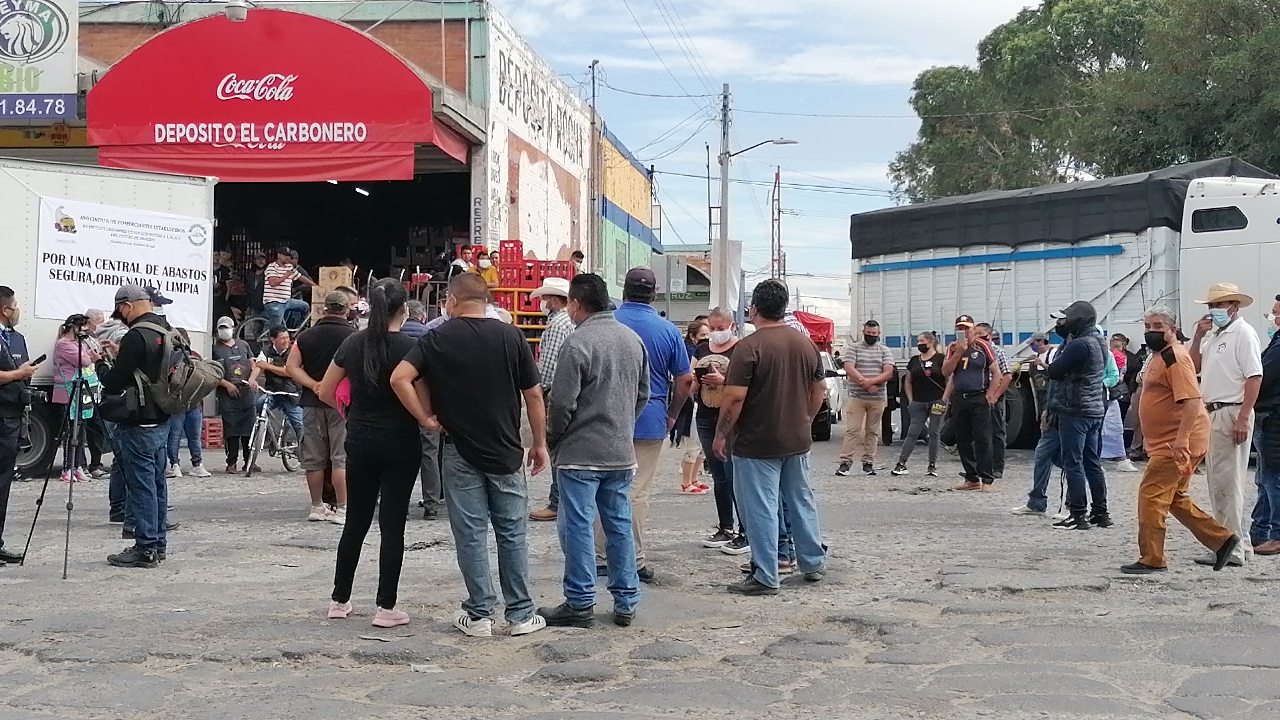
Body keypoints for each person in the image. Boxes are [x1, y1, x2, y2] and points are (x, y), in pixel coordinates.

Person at [391, 272, 549, 638]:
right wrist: (539, 443)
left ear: (452, 301)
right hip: (507, 450)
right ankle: (522, 614)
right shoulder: (512, 337)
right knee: (512, 533)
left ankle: (479, 615)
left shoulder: (438, 337)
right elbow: (534, 395)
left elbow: (400, 378)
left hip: (459, 448)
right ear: (488, 300)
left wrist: (425, 418)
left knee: (471, 534)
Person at [532, 273, 648, 629]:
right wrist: (622, 424)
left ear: (576, 304)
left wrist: (553, 438)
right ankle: (626, 599)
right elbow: (642, 395)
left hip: (580, 453)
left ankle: (580, 601)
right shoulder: (632, 340)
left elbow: (562, 403)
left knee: (577, 527)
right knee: (618, 525)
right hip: (619, 451)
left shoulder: (577, 342)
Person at [318, 279, 421, 628]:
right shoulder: (411, 346)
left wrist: (350, 414)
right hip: (401, 441)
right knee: (393, 526)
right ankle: (385, 606)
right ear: (403, 310)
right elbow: (421, 394)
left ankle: (339, 599)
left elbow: (326, 390)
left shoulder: (352, 342)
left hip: (359, 437)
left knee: (355, 522)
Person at [713, 279, 827, 595]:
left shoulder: (749, 347)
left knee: (760, 506)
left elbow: (734, 398)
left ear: (755, 308)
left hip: (756, 441)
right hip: (797, 439)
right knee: (801, 499)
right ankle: (812, 562)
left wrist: (721, 435)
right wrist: (805, 418)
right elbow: (819, 390)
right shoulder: (805, 344)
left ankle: (766, 573)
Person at [1120, 306, 1241, 574]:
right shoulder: (1160, 355)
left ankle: (1152, 558)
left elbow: (1191, 400)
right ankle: (1222, 540)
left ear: (1173, 330)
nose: (1151, 331)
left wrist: (1181, 441)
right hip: (1171, 441)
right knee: (1173, 496)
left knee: (1151, 495)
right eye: (1148, 326)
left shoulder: (1174, 357)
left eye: (1158, 327)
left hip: (1174, 443)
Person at [607, 268, 695, 582]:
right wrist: (672, 413)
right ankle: (633, 558)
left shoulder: (608, 323)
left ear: (624, 292)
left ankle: (601, 556)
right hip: (649, 418)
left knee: (601, 487)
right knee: (636, 491)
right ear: (654, 294)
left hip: (604, 420)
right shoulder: (667, 330)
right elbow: (685, 379)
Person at [1189, 283, 1263, 567]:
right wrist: (1198, 336)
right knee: (1221, 481)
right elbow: (1192, 365)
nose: (1213, 311)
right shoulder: (1215, 335)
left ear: (1234, 306)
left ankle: (1230, 546)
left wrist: (1244, 416)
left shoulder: (1243, 333)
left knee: (1227, 483)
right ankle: (1236, 544)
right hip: (1215, 411)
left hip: (1230, 410)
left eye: (1219, 306)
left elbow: (1254, 377)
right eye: (1212, 306)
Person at [100, 285, 172, 568]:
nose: (121, 315)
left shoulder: (136, 335)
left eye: (121, 310)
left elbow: (115, 381)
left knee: (141, 486)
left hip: (139, 419)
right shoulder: (167, 331)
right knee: (157, 483)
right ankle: (158, 542)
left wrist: (102, 365)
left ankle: (145, 549)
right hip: (163, 417)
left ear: (128, 306)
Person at [1037, 302, 1109, 529]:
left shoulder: (1079, 345)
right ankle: (1100, 513)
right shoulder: (1099, 342)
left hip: (1075, 410)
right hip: (1095, 409)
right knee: (1092, 463)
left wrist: (1046, 367)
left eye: (1067, 319)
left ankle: (1078, 514)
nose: (1063, 324)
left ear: (1077, 320)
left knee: (1073, 462)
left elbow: (1055, 371)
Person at [288, 292, 356, 524]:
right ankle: (344, 508)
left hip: (311, 402)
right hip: (342, 404)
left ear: (324, 310)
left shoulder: (306, 336)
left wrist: (314, 384)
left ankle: (317, 506)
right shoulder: (354, 337)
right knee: (340, 457)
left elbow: (291, 366)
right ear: (346, 310)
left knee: (315, 458)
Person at [693, 308, 746, 550]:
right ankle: (726, 526)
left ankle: (745, 530)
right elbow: (690, 380)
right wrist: (697, 382)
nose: (715, 333)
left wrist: (723, 381)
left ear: (732, 326)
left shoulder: (741, 349)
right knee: (719, 476)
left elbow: (747, 384)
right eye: (712, 328)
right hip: (705, 415)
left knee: (734, 474)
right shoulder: (701, 350)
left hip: (732, 418)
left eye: (720, 328)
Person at [529, 277, 574, 522]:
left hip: (554, 390)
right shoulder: (568, 322)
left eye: (545, 299)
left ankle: (556, 502)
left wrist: (538, 390)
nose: (543, 303)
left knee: (556, 448)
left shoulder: (558, 325)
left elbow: (547, 365)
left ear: (555, 300)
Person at [942, 315, 1000, 491]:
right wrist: (959, 352)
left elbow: (996, 372)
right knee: (963, 439)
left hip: (978, 397)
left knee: (983, 439)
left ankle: (987, 479)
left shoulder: (983, 347)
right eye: (960, 328)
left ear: (973, 329)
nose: (964, 332)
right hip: (960, 398)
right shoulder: (953, 347)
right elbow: (946, 371)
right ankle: (971, 477)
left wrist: (990, 395)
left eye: (967, 328)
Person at [0, 286, 36, 564]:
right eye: (15, 306)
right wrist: (18, 373)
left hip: (10, 415)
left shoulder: (11, 338)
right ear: (6, 309)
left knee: (4, 481)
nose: (16, 311)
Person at [837, 320, 895, 477]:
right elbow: (849, 368)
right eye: (868, 333)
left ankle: (868, 462)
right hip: (857, 396)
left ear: (879, 334)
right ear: (863, 332)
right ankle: (845, 463)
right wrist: (865, 383)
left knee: (873, 431)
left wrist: (871, 382)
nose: (871, 336)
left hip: (877, 398)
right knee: (852, 430)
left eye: (874, 334)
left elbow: (888, 372)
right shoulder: (853, 348)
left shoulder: (884, 350)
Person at [398, 300, 440, 520]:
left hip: (401, 404)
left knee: (400, 455)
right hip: (427, 405)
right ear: (422, 316)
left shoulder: (396, 337)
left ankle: (399, 502)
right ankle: (432, 504)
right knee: (430, 454)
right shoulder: (431, 336)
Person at [51, 314, 100, 483]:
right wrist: (89, 356)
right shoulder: (64, 344)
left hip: (80, 393)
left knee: (80, 432)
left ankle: (77, 466)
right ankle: (67, 467)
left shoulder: (76, 343)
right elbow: (84, 360)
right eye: (83, 327)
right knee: (71, 432)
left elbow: (92, 354)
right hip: (67, 393)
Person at [892, 332, 945, 477]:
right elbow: (908, 381)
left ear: (931, 342)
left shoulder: (941, 359)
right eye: (918, 341)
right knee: (913, 432)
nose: (919, 344)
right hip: (918, 401)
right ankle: (901, 463)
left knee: (934, 432)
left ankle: (932, 465)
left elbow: (949, 379)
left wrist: (944, 399)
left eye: (922, 341)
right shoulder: (914, 360)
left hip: (936, 400)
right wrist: (910, 400)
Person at [212, 316, 261, 475]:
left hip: (247, 393)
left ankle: (249, 461)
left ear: (233, 328)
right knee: (231, 430)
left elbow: (253, 364)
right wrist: (227, 385)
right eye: (221, 328)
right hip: (228, 395)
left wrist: (253, 378)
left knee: (249, 430)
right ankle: (231, 462)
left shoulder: (243, 345)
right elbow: (212, 372)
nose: (224, 331)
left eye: (226, 327)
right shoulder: (215, 348)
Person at [1252, 294, 1280, 555]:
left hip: (1274, 418)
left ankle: (1276, 533)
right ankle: (1260, 530)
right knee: (1265, 478)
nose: (1272, 318)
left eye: (1275, 313)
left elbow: (1264, 376)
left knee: (1271, 479)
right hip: (1270, 415)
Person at [166, 328, 211, 479]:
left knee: (186, 436)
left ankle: (190, 464)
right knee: (180, 436)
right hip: (184, 402)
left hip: (188, 402)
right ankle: (180, 464)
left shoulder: (191, 356)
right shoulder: (176, 356)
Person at [974, 323, 1013, 478]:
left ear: (989, 336)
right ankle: (980, 468)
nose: (977, 337)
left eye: (981, 334)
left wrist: (995, 396)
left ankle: (997, 468)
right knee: (979, 434)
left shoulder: (997, 352)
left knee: (997, 433)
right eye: (975, 334)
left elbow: (1007, 376)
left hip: (994, 397)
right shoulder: (974, 353)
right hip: (977, 396)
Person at [675, 320, 709, 494]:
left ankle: (695, 478)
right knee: (693, 443)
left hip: (702, 401)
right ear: (693, 336)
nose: (707, 338)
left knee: (702, 445)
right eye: (703, 335)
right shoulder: (689, 354)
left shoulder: (705, 351)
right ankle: (687, 481)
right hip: (691, 403)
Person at [254, 326, 303, 442]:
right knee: (260, 403)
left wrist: (268, 366)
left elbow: (289, 372)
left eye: (287, 337)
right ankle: (266, 431)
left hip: (291, 395)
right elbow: (258, 365)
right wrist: (252, 379)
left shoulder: (294, 352)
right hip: (272, 392)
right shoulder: (266, 350)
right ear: (273, 340)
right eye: (282, 338)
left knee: (300, 425)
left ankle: (303, 453)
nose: (286, 341)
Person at [262, 246, 315, 329]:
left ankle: (298, 328)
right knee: (277, 329)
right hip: (274, 302)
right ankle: (271, 340)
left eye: (289, 256)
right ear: (279, 255)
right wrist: (285, 276)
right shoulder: (272, 267)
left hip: (286, 300)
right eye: (285, 256)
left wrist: (315, 286)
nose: (288, 258)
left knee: (305, 306)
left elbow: (301, 277)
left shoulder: (289, 267)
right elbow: (273, 283)